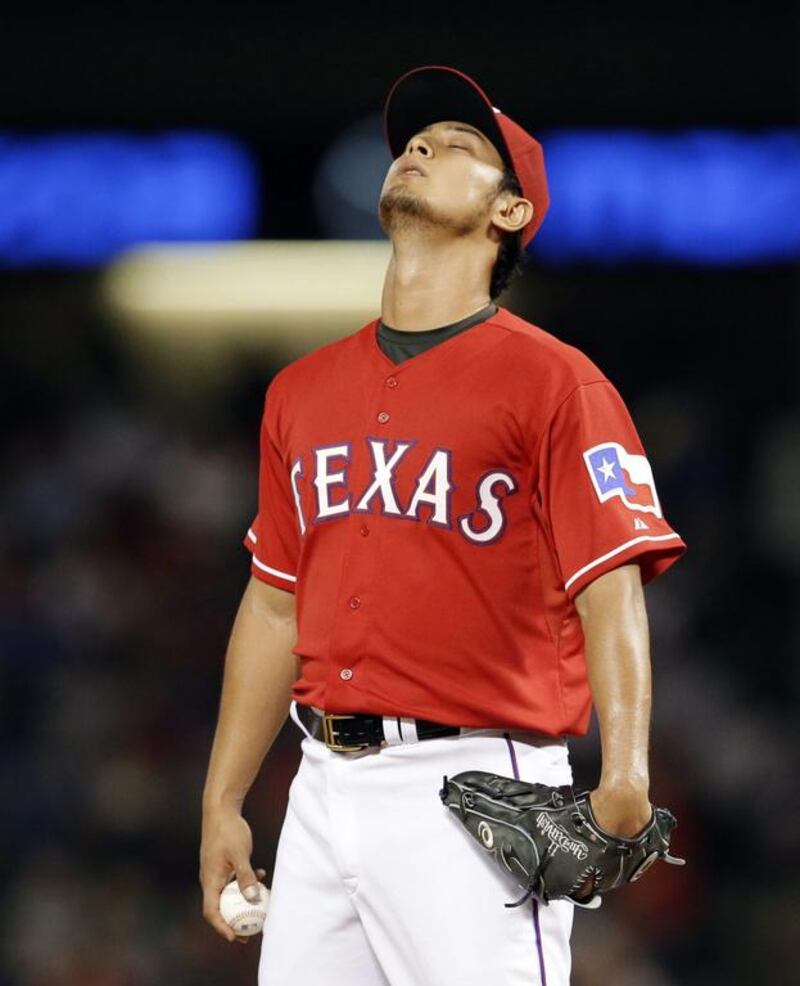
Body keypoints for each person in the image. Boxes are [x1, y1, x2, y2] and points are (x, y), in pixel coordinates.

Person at [199, 64, 687, 985]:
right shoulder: (299, 391)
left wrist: (625, 770)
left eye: (458, 147)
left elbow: (610, 583)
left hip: (476, 781)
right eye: (415, 142)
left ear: (509, 213)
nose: (420, 148)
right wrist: (224, 797)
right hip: (321, 781)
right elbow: (273, 605)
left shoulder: (556, 382)